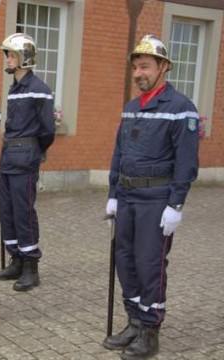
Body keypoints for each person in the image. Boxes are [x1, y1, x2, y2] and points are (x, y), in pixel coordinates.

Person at [102, 34, 199, 360]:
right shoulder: (131, 108)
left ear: (163, 68)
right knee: (125, 261)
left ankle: (150, 331)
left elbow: (186, 163)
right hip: (127, 197)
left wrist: (176, 205)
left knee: (149, 264)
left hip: (155, 201)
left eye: (144, 66)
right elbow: (119, 152)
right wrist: (113, 193)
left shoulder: (180, 109)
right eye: (135, 68)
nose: (138, 73)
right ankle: (134, 320)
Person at [0, 33, 55, 291]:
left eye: (11, 54)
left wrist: (31, 151)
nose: (7, 59)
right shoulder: (15, 88)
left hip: (24, 159)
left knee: (24, 212)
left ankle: (31, 267)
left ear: (23, 58)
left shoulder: (39, 89)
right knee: (7, 212)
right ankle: (16, 260)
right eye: (7, 54)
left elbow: (47, 130)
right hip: (8, 158)